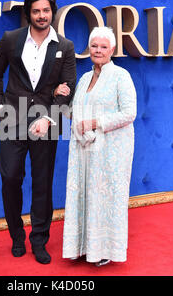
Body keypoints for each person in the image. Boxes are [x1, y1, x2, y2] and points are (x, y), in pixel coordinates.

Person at [0, 0, 76, 264]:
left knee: (42, 183)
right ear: (28, 13)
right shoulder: (11, 39)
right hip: (12, 119)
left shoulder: (65, 46)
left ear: (53, 12)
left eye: (46, 10)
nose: (41, 15)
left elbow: (69, 86)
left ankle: (39, 239)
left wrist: (49, 119)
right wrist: (0, 107)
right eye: (36, 11)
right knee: (10, 177)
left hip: (46, 122)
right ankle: (16, 235)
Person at [61, 27, 137, 267]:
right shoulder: (84, 78)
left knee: (106, 198)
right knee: (84, 195)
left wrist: (96, 123)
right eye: (94, 46)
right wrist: (59, 95)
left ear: (112, 50)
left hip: (111, 151)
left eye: (103, 47)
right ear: (89, 48)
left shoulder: (121, 76)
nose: (98, 50)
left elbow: (129, 113)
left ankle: (104, 250)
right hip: (84, 148)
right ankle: (83, 247)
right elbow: (75, 111)